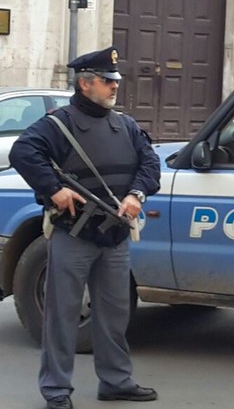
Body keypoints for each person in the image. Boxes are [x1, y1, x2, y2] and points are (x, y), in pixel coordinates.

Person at [9, 47, 161, 409]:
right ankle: (56, 390)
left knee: (113, 314)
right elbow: (23, 153)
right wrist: (54, 189)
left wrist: (137, 193)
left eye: (115, 82)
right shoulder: (58, 125)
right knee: (62, 316)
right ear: (85, 83)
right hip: (74, 234)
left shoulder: (124, 125)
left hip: (115, 235)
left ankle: (115, 381)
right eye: (107, 82)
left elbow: (150, 162)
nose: (114, 88)